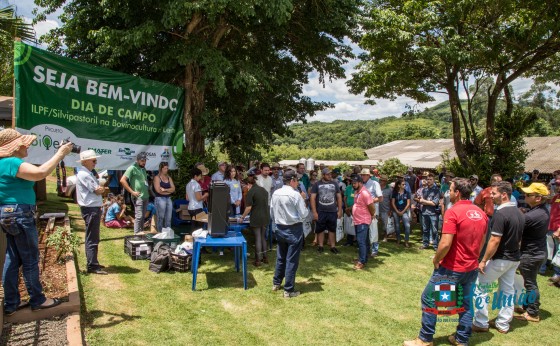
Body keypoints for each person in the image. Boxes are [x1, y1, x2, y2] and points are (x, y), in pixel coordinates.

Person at [404, 178, 488, 346]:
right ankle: (461, 339)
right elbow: (482, 241)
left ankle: (425, 339)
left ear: (457, 193)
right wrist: (474, 258)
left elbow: (445, 243)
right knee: (465, 303)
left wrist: (436, 259)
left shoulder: (453, 211)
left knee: (429, 299)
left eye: (450, 190)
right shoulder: (481, 213)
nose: (447, 193)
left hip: (452, 268)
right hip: (471, 268)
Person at [0, 128, 73, 314]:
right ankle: (38, 300)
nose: (27, 147)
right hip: (20, 214)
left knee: (13, 258)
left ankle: (11, 303)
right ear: (15, 147)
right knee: (31, 258)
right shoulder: (11, 162)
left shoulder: (3, 164)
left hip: (8, 213)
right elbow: (40, 173)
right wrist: (60, 153)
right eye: (24, 144)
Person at [472, 181, 524, 334]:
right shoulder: (520, 213)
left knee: (480, 287)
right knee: (507, 290)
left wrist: (483, 261)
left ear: (504, 195)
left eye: (493, 193)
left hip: (500, 259)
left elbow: (494, 240)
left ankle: (481, 322)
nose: (491, 196)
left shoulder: (500, 214)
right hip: (514, 259)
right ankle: (503, 324)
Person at [513, 183, 550, 323]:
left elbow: (519, 226)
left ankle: (533, 312)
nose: (525, 196)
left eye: (528, 195)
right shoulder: (541, 211)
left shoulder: (533, 216)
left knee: (530, 283)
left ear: (538, 198)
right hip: (537, 252)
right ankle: (528, 306)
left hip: (531, 254)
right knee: (528, 282)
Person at [270, 170, 309, 298]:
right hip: (293, 229)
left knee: (281, 256)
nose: (297, 182)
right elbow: (304, 214)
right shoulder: (295, 194)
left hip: (280, 228)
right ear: (292, 180)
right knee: (291, 260)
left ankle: (276, 283)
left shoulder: (276, 193)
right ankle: (288, 289)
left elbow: (271, 212)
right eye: (296, 180)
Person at [75, 150, 107, 275]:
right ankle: (92, 265)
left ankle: (93, 262)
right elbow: (98, 190)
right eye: (93, 160)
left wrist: (100, 189)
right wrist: (100, 189)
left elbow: (99, 189)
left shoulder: (87, 173)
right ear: (86, 161)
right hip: (91, 208)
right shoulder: (84, 174)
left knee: (94, 236)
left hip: (92, 208)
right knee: (92, 237)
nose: (95, 162)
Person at [238, 174, 270, 266]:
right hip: (265, 216)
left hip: (256, 217)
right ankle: (265, 257)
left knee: (258, 238)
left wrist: (242, 217)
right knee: (263, 237)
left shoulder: (251, 192)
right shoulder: (263, 190)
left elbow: (248, 208)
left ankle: (257, 260)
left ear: (248, 184)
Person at [310, 168, 343, 254]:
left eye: (330, 174)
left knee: (332, 229)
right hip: (321, 211)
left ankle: (333, 246)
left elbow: (339, 197)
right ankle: (320, 246)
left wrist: (339, 210)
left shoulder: (335, 184)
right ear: (323, 175)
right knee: (320, 229)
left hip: (332, 211)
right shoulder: (317, 184)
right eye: (327, 174)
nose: (330, 176)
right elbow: (312, 198)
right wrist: (314, 212)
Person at [120, 153, 149, 235]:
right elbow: (122, 180)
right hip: (138, 196)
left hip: (145, 196)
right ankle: (136, 234)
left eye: (145, 160)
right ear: (137, 160)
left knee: (143, 216)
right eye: (142, 161)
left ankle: (141, 233)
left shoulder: (143, 169)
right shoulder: (132, 168)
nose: (144, 162)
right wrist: (132, 192)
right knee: (139, 216)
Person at [351, 174, 375, 270]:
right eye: (352, 183)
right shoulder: (357, 192)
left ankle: (361, 262)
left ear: (360, 183)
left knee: (361, 241)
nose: (353, 184)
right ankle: (363, 258)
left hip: (363, 220)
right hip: (358, 220)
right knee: (363, 241)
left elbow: (371, 207)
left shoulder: (365, 193)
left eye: (355, 183)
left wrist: (371, 215)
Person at [360, 168, 383, 256]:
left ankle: (374, 250)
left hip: (372, 211)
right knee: (365, 231)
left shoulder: (374, 183)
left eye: (365, 175)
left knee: (373, 230)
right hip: (363, 211)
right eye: (362, 175)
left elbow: (380, 198)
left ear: (369, 175)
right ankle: (366, 249)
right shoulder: (361, 184)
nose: (363, 176)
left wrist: (369, 201)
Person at [415, 173, 440, 250]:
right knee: (425, 229)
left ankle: (436, 246)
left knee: (435, 230)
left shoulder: (437, 190)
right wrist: (420, 199)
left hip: (433, 213)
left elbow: (434, 203)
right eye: (427, 179)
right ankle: (425, 244)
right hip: (424, 212)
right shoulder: (424, 190)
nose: (428, 181)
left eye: (430, 179)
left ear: (434, 180)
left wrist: (423, 201)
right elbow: (421, 201)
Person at [153, 161, 175, 232]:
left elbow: (173, 189)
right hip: (160, 199)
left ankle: (168, 234)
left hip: (168, 198)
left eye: (167, 168)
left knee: (168, 218)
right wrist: (169, 191)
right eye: (165, 168)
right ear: (161, 169)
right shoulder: (157, 178)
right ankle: (160, 233)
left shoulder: (169, 178)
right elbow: (158, 191)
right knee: (161, 217)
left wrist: (165, 190)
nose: (167, 170)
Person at [391, 179, 412, 247]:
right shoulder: (395, 192)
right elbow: (393, 203)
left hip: (404, 211)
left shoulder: (407, 193)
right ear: (399, 185)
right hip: (396, 211)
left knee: (407, 226)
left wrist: (402, 211)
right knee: (397, 226)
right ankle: (398, 239)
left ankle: (406, 241)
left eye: (405, 184)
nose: (404, 185)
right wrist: (397, 211)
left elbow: (408, 203)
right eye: (403, 184)